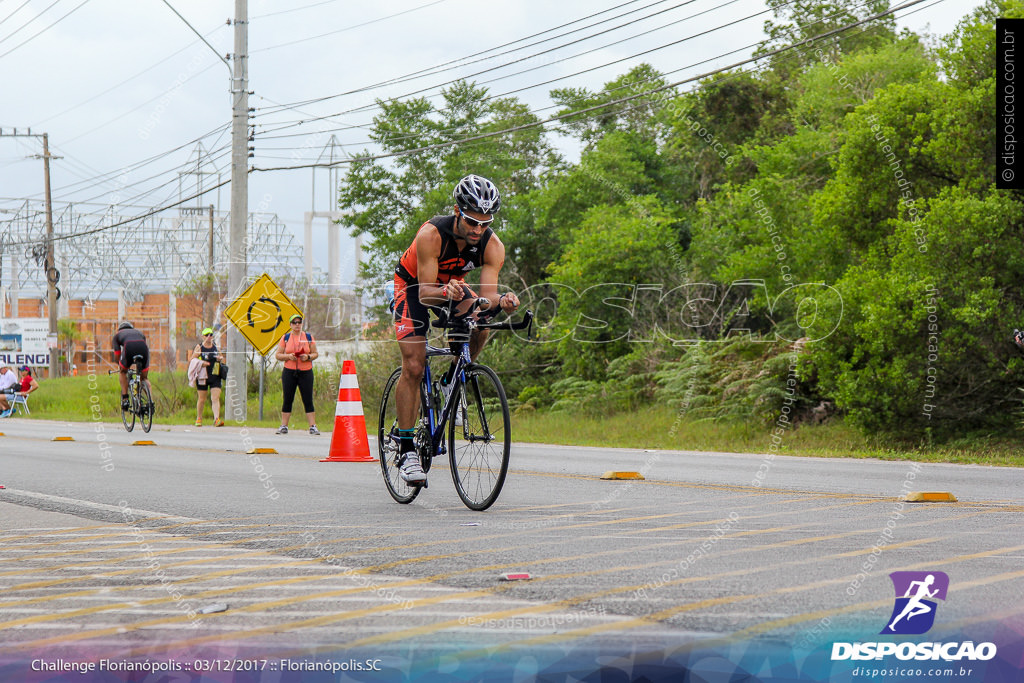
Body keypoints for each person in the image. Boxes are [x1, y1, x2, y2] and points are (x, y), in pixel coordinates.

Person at [391, 174, 519, 484]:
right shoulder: (431, 235)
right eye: (473, 221)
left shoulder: (492, 245)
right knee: (414, 365)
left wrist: (502, 300)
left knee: (481, 320)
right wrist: (445, 290)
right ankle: (406, 447)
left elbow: (486, 297)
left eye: (485, 223)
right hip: (413, 287)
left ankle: (451, 380)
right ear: (457, 211)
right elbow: (424, 293)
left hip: (454, 288)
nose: (478, 229)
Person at [274, 313, 320, 435]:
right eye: (294, 323)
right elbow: (278, 355)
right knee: (288, 398)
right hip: (289, 371)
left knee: (308, 399)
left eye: (299, 322)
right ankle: (284, 426)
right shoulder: (286, 337)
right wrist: (288, 356)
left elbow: (315, 353)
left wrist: (308, 356)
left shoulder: (308, 337)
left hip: (306, 371)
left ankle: (313, 426)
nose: (297, 325)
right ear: (290, 325)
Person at [112, 322, 151, 414]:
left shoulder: (117, 336)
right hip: (144, 349)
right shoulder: (139, 333)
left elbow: (117, 356)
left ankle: (125, 399)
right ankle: (150, 403)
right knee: (144, 378)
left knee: (122, 372)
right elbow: (142, 345)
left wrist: (122, 366)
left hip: (129, 348)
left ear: (120, 330)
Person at [192, 327, 225, 427]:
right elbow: (192, 360)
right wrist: (201, 363)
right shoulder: (199, 347)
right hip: (203, 376)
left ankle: (216, 419)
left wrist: (220, 359)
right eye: (207, 335)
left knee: (215, 398)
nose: (209, 337)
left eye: (211, 335)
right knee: (202, 399)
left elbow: (222, 358)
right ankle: (199, 418)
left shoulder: (216, 347)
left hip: (215, 375)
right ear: (203, 337)